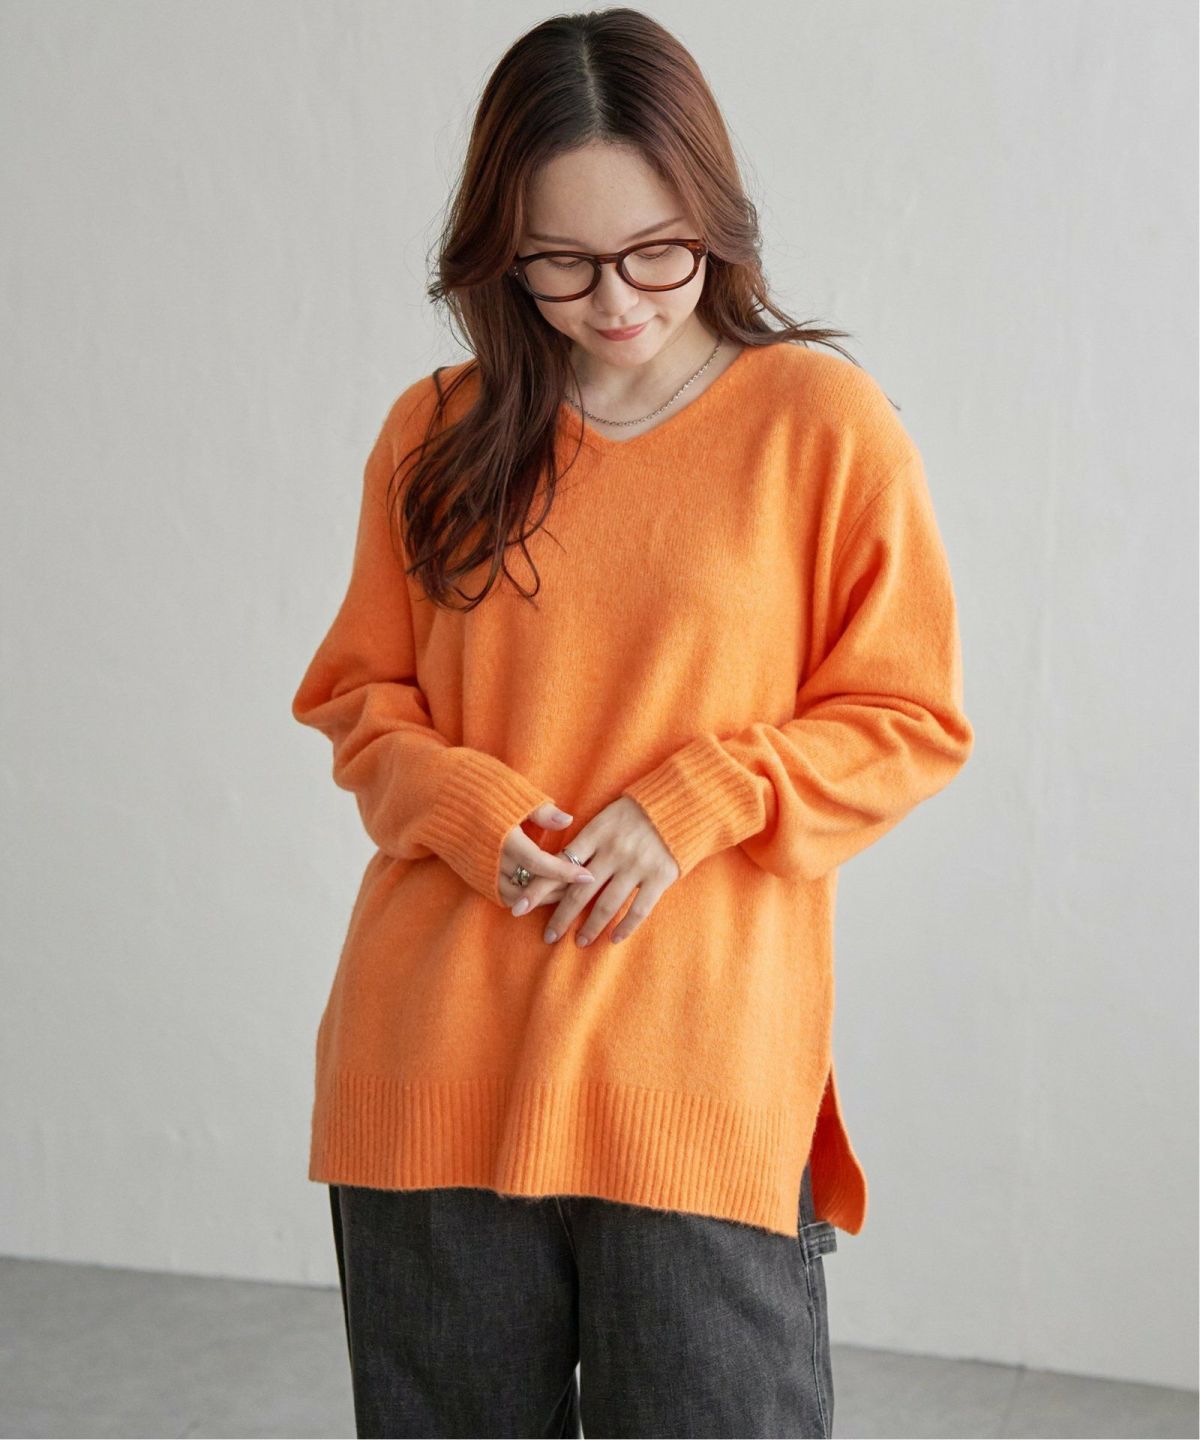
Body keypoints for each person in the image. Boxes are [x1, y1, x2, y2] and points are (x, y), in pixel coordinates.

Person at [291, 9, 974, 1438]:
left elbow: (908, 715)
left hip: (695, 1073)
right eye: (562, 261)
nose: (616, 300)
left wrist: (702, 797)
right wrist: (469, 812)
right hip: (434, 1056)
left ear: (713, 217)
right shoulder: (436, 432)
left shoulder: (819, 427)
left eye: (658, 250)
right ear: (501, 249)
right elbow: (360, 702)